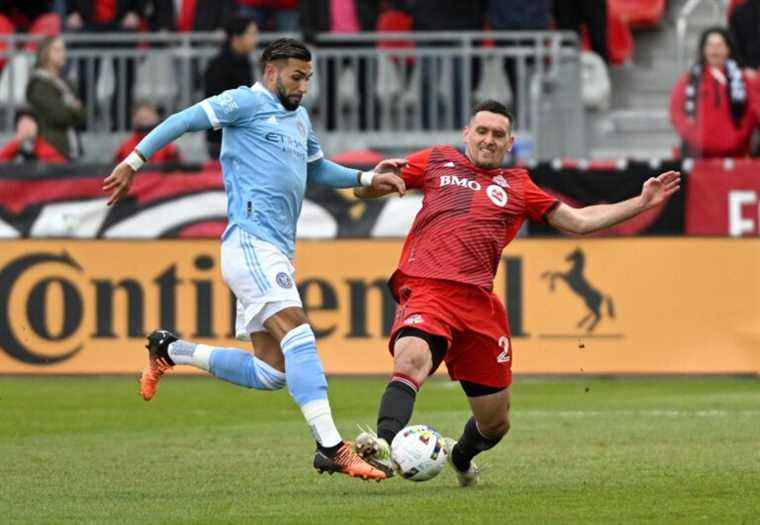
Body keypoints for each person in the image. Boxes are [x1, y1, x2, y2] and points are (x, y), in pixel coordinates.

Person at [103, 38, 407, 481]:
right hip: (250, 241)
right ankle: (332, 448)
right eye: (296, 77)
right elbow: (184, 119)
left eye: (308, 78)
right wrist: (134, 160)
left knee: (271, 372)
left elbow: (317, 170)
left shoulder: (299, 118)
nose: (303, 86)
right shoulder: (244, 102)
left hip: (276, 250)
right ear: (271, 72)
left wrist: (367, 175)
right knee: (300, 337)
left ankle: (171, 349)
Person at [351, 100, 681, 486]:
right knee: (411, 358)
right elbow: (372, 191)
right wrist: (369, 182)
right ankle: (383, 449)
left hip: (478, 305)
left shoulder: (519, 186)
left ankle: (461, 456)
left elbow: (578, 221)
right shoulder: (437, 161)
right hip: (427, 288)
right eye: (482, 131)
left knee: (495, 421)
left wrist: (640, 203)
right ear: (466, 133)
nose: (488, 140)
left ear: (509, 143)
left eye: (497, 135)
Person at [670, 27, 757, 158]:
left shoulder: (742, 80)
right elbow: (676, 112)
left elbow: (752, 111)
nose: (714, 50)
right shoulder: (688, 81)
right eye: (710, 45)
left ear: (728, 49)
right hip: (698, 156)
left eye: (719, 45)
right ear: (704, 50)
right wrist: (694, 137)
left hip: (736, 155)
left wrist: (738, 136)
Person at [203, 16, 258, 159]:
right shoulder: (217, 66)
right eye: (251, 34)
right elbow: (218, 106)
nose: (255, 40)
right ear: (236, 37)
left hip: (242, 137)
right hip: (222, 140)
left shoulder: (245, 62)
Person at [26, 36, 86, 160]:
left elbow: (84, 116)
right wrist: (74, 108)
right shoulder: (38, 84)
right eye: (57, 50)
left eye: (63, 50)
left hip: (71, 151)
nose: (63, 54)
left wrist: (74, 110)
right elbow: (58, 116)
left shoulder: (67, 83)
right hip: (51, 152)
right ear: (45, 53)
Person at [113, 101, 181, 164]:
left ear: (156, 117)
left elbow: (178, 170)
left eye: (148, 116)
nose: (145, 119)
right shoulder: (125, 147)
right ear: (134, 118)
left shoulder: (167, 146)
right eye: (141, 117)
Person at [0, 108, 66, 164]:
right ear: (17, 128)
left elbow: (59, 164)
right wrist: (16, 143)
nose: (27, 128)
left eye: (30, 124)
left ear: (36, 128)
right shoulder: (12, 147)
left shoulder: (44, 147)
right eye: (23, 124)